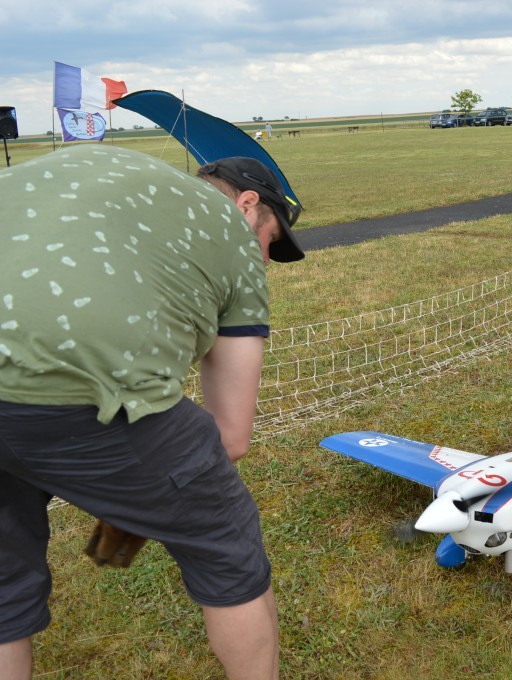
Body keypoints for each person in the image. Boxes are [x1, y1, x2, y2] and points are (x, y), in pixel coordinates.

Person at [0, 146, 305, 679]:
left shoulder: (107, 169)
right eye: (269, 240)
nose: (260, 260)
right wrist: (133, 498)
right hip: (71, 394)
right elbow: (230, 437)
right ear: (248, 205)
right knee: (225, 544)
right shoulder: (231, 234)